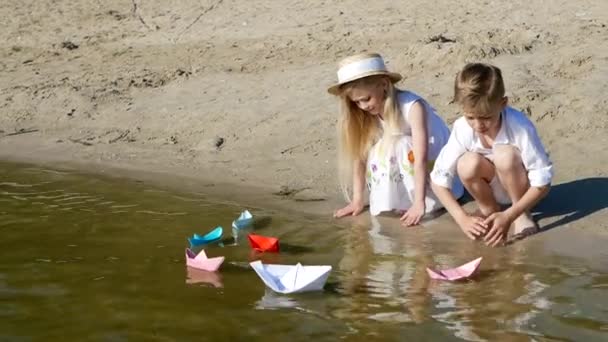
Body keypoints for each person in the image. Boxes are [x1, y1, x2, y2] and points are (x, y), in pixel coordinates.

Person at [329, 53, 463, 225]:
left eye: (366, 99)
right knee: (378, 147)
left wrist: (419, 203)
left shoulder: (412, 106)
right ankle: (398, 200)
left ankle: (420, 200)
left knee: (399, 145)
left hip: (437, 170)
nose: (363, 106)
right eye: (356, 102)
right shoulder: (367, 113)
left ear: (384, 85)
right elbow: (359, 157)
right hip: (409, 162)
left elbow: (421, 157)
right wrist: (357, 200)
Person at [430, 63, 553, 246]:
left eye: (486, 117)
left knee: (505, 155)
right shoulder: (462, 129)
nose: (478, 125)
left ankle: (521, 215)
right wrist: (461, 218)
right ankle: (489, 209)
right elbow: (438, 181)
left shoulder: (519, 126)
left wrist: (510, 215)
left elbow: (543, 182)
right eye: (470, 117)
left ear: (503, 104)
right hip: (491, 187)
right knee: (466, 163)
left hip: (522, 191)